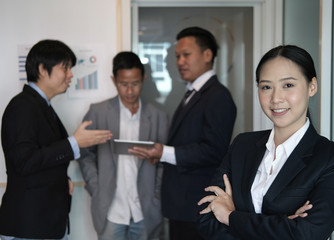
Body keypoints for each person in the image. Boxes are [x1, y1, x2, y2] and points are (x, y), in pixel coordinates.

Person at [197, 45, 334, 240]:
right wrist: (281, 226)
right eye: (266, 87)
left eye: (288, 85)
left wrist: (230, 216)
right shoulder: (242, 145)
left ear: (312, 86)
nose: (276, 98)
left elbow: (305, 234)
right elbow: (207, 221)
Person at [129, 26, 237, 240]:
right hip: (182, 204)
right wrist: (160, 155)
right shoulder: (191, 93)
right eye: (177, 56)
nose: (180, 61)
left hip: (195, 204)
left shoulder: (217, 96)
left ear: (207, 55)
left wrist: (164, 153)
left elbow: (213, 150)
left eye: (186, 55)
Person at [0, 39, 113, 240]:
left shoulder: (43, 106)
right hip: (28, 227)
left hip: (45, 225)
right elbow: (24, 161)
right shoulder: (22, 107)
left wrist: (63, 179)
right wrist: (74, 143)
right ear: (43, 69)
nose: (70, 75)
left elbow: (40, 159)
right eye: (65, 68)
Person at [78, 51, 168, 240]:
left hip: (145, 209)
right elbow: (86, 155)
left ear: (143, 79)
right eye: (123, 84)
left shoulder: (159, 116)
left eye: (135, 84)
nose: (129, 91)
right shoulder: (98, 112)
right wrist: (96, 188)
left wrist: (157, 193)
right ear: (114, 80)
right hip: (110, 209)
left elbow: (164, 160)